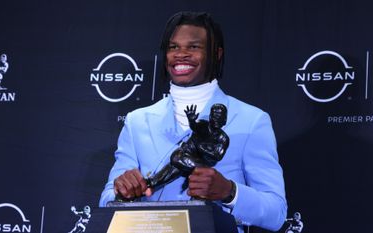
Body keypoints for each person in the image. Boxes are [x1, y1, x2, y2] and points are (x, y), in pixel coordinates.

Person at [99, 11, 287, 232]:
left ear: (216, 54)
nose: (181, 54)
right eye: (173, 47)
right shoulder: (137, 121)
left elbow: (276, 213)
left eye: (194, 47)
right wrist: (121, 191)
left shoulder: (252, 120)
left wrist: (229, 191)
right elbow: (106, 201)